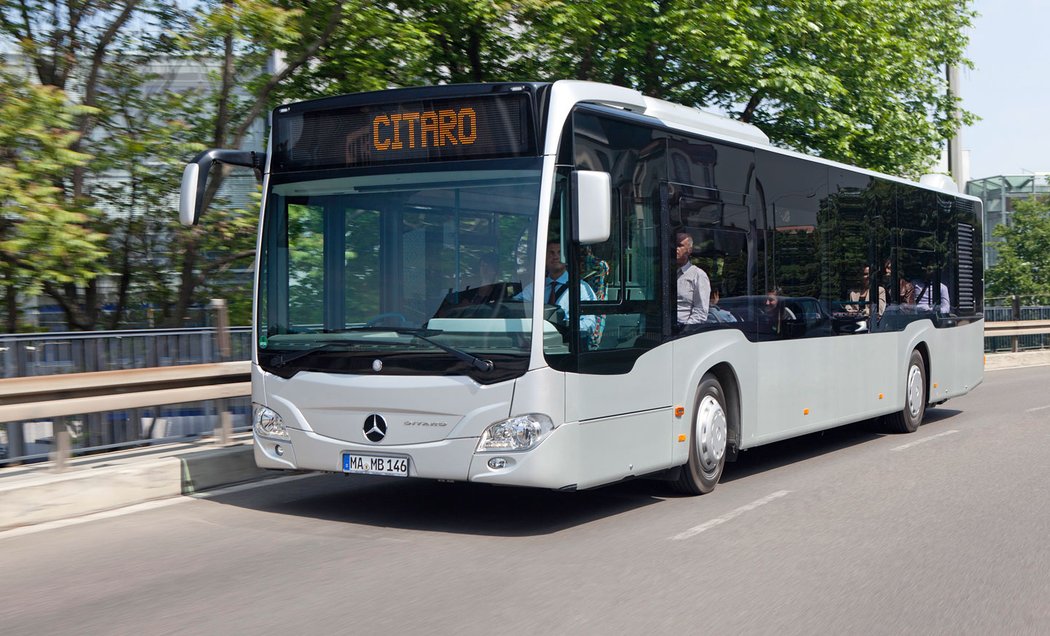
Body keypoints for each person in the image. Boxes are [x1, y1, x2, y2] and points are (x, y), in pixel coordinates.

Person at [517, 240, 596, 333]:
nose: (555, 256)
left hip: (567, 344)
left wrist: (564, 325)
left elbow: (590, 324)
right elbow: (516, 304)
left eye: (560, 253)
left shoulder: (581, 288)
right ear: (544, 258)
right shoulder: (536, 286)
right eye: (551, 253)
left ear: (566, 258)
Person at [675, 232, 710, 330]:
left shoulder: (698, 275)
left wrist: (685, 330)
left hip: (682, 331)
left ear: (689, 250)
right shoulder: (665, 274)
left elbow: (701, 311)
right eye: (674, 245)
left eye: (679, 246)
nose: (675, 249)